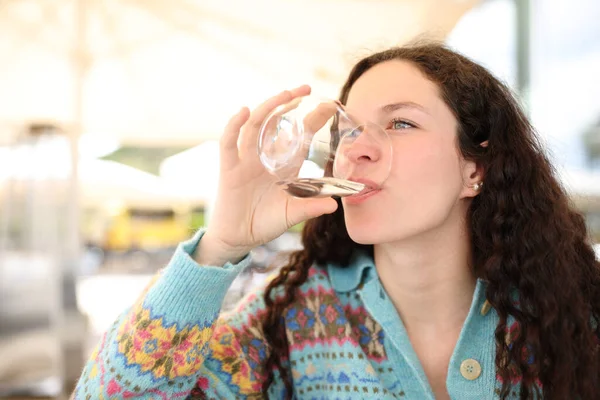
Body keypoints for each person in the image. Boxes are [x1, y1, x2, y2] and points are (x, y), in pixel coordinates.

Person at [72, 43, 600, 399]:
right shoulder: (289, 319)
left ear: (475, 169)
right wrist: (219, 245)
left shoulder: (571, 312)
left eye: (400, 122)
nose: (357, 151)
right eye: (349, 129)